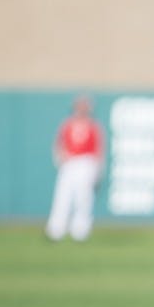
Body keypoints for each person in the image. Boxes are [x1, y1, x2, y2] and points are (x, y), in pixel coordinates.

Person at [45, 95, 106, 242]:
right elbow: (58, 144)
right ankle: (56, 229)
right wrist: (60, 157)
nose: (82, 110)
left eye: (85, 107)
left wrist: (98, 170)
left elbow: (99, 149)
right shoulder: (67, 124)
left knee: (84, 198)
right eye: (80, 106)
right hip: (69, 162)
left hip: (86, 163)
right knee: (63, 196)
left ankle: (80, 230)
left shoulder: (93, 126)